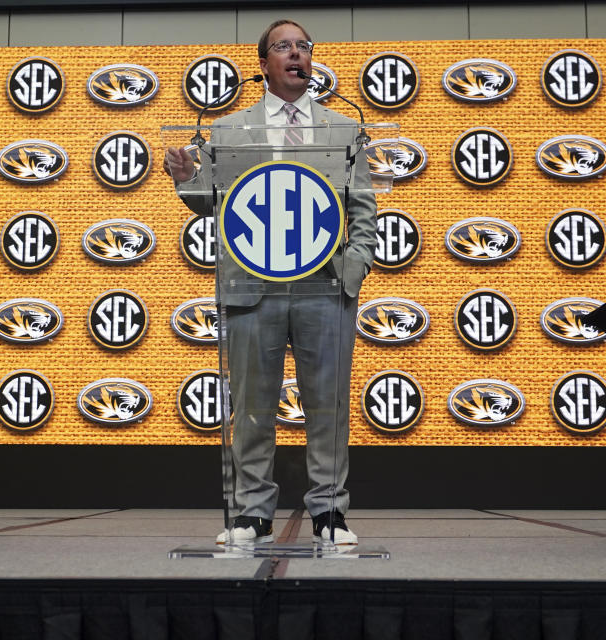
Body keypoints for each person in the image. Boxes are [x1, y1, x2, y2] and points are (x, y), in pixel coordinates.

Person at [164, 19, 377, 545]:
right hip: (251, 286)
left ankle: (329, 513)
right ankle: (252, 513)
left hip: (325, 288)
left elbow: (364, 209)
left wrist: (352, 269)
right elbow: (211, 203)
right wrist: (187, 177)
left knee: (327, 405)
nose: (296, 54)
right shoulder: (231, 129)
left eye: (304, 47)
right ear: (263, 64)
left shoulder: (342, 128)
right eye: (284, 47)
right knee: (253, 406)